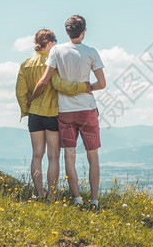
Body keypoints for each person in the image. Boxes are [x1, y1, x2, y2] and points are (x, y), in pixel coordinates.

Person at [30, 15, 106, 209]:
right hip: (87, 109)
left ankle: (77, 198)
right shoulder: (91, 52)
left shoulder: (56, 50)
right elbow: (102, 83)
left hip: (65, 111)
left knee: (69, 155)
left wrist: (31, 99)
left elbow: (46, 79)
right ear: (84, 31)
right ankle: (95, 201)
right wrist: (87, 87)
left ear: (66, 32)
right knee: (93, 156)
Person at [15, 29, 90, 199]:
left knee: (36, 155)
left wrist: (27, 109)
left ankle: (39, 194)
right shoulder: (54, 63)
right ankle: (52, 195)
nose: (56, 44)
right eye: (55, 41)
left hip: (34, 115)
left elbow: (20, 93)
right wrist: (84, 87)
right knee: (53, 156)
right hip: (52, 115)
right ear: (48, 43)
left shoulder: (26, 64)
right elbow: (60, 85)